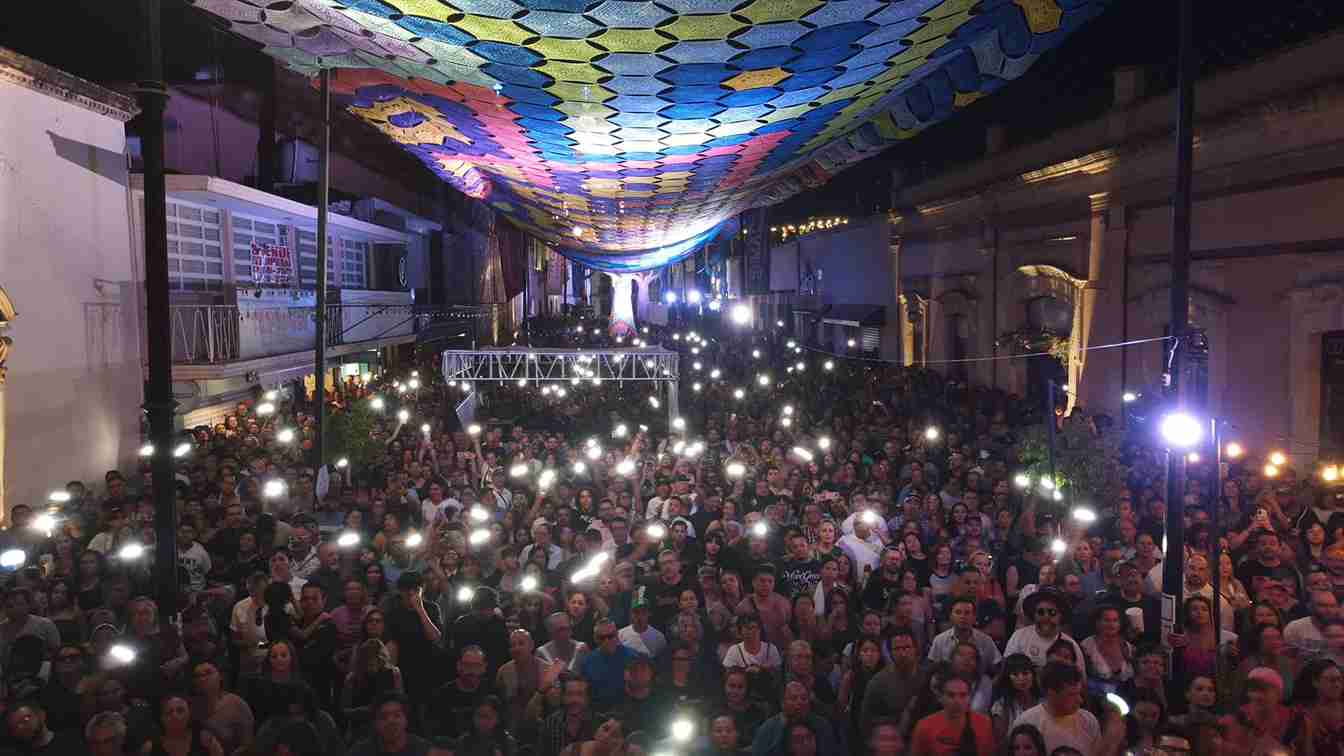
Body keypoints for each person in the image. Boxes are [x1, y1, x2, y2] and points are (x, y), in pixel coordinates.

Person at [1009, 663, 1102, 756]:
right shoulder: (1026, 721)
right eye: (1072, 695)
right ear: (1052, 693)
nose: (1080, 700)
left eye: (1079, 693)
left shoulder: (1088, 720)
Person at [909, 675, 995, 756]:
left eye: (963, 695)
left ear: (969, 697)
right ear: (940, 697)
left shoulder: (984, 724)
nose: (957, 701)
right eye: (951, 695)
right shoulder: (924, 727)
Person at [749, 681, 840, 756]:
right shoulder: (767, 729)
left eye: (804, 698)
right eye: (793, 698)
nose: (799, 702)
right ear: (782, 703)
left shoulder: (822, 725)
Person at [1006, 590, 1083, 674]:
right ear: (1034, 615)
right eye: (1040, 612)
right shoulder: (1019, 636)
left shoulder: (1071, 645)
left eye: (1052, 612)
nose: (1046, 617)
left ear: (1061, 616)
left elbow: (1081, 678)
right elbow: (1006, 669)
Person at [929, 595, 1002, 678]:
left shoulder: (986, 640)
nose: (962, 617)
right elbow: (933, 670)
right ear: (951, 616)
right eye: (958, 612)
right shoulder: (939, 640)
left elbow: (998, 669)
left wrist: (990, 684)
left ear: (974, 617)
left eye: (967, 613)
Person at [139, 695, 225, 756]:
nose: (175, 716)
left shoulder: (206, 740)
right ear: (162, 718)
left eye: (180, 710)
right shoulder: (150, 748)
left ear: (189, 714)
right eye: (169, 712)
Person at [349, 694, 431, 756]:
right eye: (383, 717)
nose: (391, 721)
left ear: (406, 720)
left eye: (397, 715)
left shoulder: (424, 750)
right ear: (375, 723)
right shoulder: (360, 752)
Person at [536, 676, 596, 756]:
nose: (574, 699)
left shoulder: (597, 723)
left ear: (587, 698)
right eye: (569, 694)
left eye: (580, 694)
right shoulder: (550, 723)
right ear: (563, 697)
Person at [991, 655, 1041, 740]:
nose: (1021, 678)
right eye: (1015, 674)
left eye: (1025, 673)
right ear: (1007, 678)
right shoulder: (1000, 706)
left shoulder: (1043, 702)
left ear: (1033, 674)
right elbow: (1000, 740)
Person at [619, 588, 667, 658]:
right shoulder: (620, 635)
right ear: (631, 614)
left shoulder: (659, 637)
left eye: (643, 612)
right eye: (636, 612)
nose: (640, 616)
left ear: (649, 613)